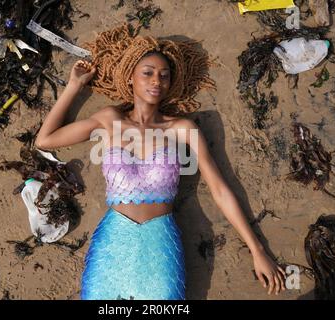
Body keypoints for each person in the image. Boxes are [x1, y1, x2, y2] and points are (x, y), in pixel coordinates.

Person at [35, 25, 286, 300]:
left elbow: (220, 190)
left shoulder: (182, 128)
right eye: (148, 73)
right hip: (114, 239)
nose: (157, 80)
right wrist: (74, 86)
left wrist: (257, 250)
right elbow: (45, 140)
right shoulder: (109, 120)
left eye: (164, 76)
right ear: (131, 78)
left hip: (161, 242)